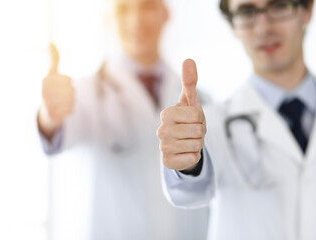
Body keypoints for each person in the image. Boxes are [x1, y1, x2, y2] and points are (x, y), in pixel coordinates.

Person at [157, 0, 316, 239]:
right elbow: (189, 191)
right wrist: (188, 163)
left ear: (307, 10)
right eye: (246, 12)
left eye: (279, 6)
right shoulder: (215, 126)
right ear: (232, 25)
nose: (263, 28)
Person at [37, 0, 209, 239]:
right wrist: (48, 116)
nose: (135, 20)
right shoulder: (84, 94)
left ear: (165, 13)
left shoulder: (200, 100)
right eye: (122, 9)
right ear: (107, 19)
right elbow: (53, 134)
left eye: (147, 6)